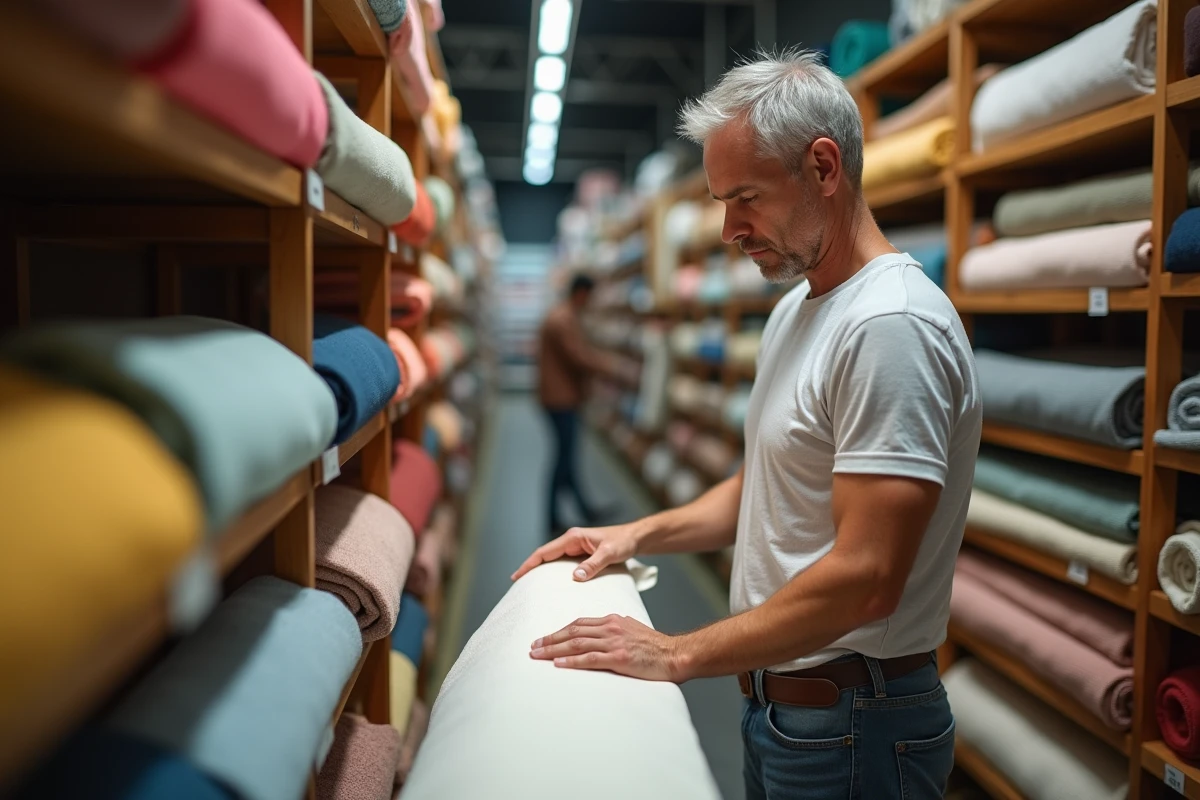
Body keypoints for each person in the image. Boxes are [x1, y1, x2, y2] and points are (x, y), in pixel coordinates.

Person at [513, 48, 982, 800]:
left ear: (824, 169)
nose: (730, 229)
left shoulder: (890, 326)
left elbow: (867, 580)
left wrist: (677, 654)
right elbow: (763, 483)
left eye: (747, 198)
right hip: (789, 714)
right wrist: (637, 534)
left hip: (855, 726)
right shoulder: (796, 311)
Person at [536, 273, 617, 538]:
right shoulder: (562, 320)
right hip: (561, 400)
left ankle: (584, 510)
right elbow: (578, 357)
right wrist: (611, 366)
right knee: (563, 459)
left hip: (561, 397)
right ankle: (552, 519)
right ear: (581, 293)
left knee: (567, 457)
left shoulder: (562, 316)